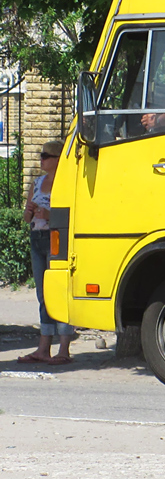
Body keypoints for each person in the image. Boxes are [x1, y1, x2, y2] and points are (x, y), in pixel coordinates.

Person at [17, 139, 74, 365]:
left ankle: (64, 349)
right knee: (43, 296)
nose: (41, 159)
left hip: (56, 240)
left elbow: (72, 215)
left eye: (46, 156)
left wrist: (49, 215)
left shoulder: (66, 183)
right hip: (37, 239)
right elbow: (26, 218)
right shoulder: (37, 183)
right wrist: (30, 212)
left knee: (59, 293)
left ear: (59, 160)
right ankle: (43, 348)